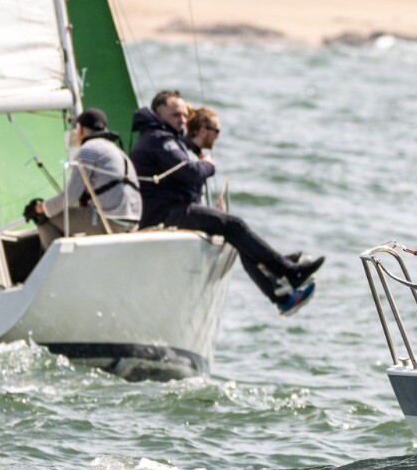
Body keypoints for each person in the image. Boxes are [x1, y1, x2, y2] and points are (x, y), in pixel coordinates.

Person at [130, 90, 323, 315]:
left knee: (235, 234)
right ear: (159, 113)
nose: (182, 120)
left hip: (172, 208)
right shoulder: (159, 138)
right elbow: (190, 173)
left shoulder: (166, 137)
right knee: (234, 225)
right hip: (165, 213)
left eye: (184, 115)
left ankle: (281, 292)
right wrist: (209, 165)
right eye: (175, 115)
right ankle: (287, 270)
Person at [24, 108, 140, 248]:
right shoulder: (114, 149)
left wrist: (39, 208)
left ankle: (61, 262)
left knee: (45, 218)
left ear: (79, 129)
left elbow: (72, 195)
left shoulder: (88, 149)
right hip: (133, 218)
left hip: (111, 220)